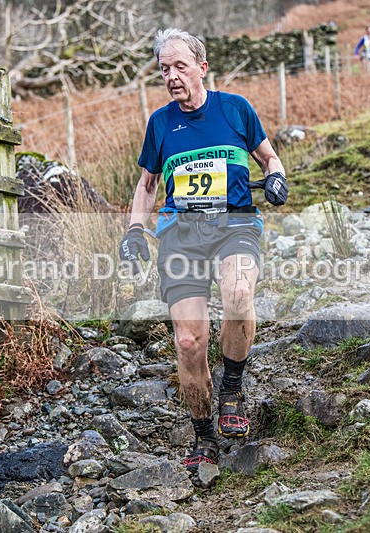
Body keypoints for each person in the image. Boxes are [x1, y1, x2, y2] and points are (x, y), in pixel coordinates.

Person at [118, 28, 287, 471]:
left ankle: (232, 389)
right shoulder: (160, 123)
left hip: (235, 224)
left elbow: (269, 158)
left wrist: (276, 177)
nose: (171, 76)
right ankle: (203, 436)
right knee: (190, 340)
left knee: (238, 294)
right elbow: (147, 184)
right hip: (182, 235)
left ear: (201, 68)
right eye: (163, 69)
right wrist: (136, 229)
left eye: (179, 66)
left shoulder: (235, 109)